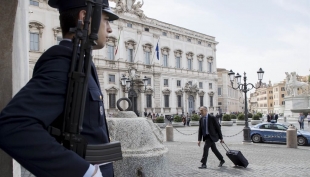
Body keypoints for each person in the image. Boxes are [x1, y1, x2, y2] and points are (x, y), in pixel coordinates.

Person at [0, 0, 119, 176]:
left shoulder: (81, 61)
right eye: (106, 20)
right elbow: (13, 125)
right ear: (85, 17)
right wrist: (83, 172)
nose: (109, 29)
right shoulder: (63, 62)